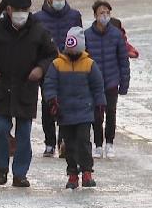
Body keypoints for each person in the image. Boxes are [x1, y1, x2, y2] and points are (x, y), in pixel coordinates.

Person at [0, 0, 59, 188]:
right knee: (1, 129)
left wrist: (40, 69)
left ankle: (20, 174)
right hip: (1, 88)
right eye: (17, 11)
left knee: (24, 133)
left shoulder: (38, 31)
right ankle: (1, 169)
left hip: (26, 89)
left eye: (25, 11)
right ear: (9, 10)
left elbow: (51, 54)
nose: (21, 15)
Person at [44, 27, 107, 190]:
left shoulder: (89, 64)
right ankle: (72, 173)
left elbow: (98, 87)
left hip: (84, 113)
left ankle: (87, 172)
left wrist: (100, 105)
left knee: (84, 142)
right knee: (69, 145)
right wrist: (52, 101)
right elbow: (50, 84)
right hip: (64, 113)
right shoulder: (57, 64)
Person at [33, 0, 82, 158]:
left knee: (66, 105)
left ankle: (64, 141)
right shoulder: (37, 18)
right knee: (48, 104)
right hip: (47, 68)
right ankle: (49, 142)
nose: (60, 0)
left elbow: (79, 40)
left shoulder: (74, 16)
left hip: (69, 67)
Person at [85, 0, 131, 159]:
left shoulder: (117, 34)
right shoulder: (87, 35)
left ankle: (109, 142)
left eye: (107, 13)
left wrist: (124, 83)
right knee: (97, 115)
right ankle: (98, 144)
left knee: (111, 112)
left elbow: (123, 60)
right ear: (95, 15)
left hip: (112, 80)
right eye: (101, 13)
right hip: (94, 83)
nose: (104, 16)